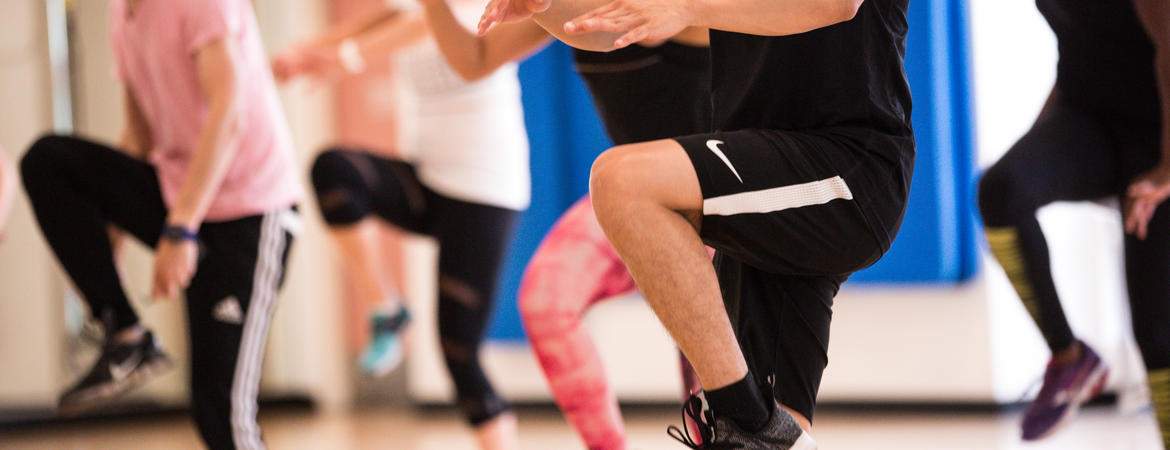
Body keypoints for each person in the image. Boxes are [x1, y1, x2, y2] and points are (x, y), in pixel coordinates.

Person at [481, 0, 915, 447]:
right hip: (764, 175)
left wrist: (684, 9)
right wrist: (543, 5)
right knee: (777, 429)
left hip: (848, 168)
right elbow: (608, 24)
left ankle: (747, 423)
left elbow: (837, 4)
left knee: (622, 184)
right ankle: (758, 431)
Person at [417, 1, 708, 447]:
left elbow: (635, 28)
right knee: (547, 298)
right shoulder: (564, 11)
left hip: (716, 193)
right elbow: (475, 59)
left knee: (713, 380)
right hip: (638, 197)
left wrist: (541, 6)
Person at [20, 0, 302, 448]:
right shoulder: (123, 13)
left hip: (249, 210)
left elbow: (229, 113)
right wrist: (106, 252)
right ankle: (125, 332)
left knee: (219, 413)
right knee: (49, 161)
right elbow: (139, 136)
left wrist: (181, 229)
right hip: (180, 195)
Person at [273, 1, 530, 448]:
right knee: (335, 171)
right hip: (427, 181)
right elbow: (394, 16)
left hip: (484, 191)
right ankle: (387, 311)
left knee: (459, 353)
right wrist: (310, 48)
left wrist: (349, 56)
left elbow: (424, 24)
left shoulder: (484, 6)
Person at [977, 0, 1170, 445]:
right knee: (1003, 190)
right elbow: (1083, 48)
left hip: (1156, 136)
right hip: (1088, 121)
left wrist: (1167, 167)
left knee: (1157, 337)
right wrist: (1038, 150)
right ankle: (1070, 358)